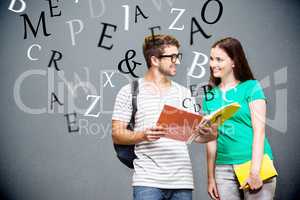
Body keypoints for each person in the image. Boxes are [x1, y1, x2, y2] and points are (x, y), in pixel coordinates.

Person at [112, 34, 218, 200]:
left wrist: (211, 133)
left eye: (178, 56)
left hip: (182, 182)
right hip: (148, 182)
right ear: (154, 60)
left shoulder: (183, 92)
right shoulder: (130, 91)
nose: (177, 61)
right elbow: (117, 135)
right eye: (172, 57)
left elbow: (194, 136)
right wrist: (143, 135)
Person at [204, 37, 276, 200]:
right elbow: (211, 141)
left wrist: (255, 171)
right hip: (223, 169)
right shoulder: (209, 96)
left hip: (254, 163)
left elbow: (259, 131)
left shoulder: (251, 87)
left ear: (234, 62)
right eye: (211, 58)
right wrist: (210, 178)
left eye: (219, 59)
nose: (213, 64)